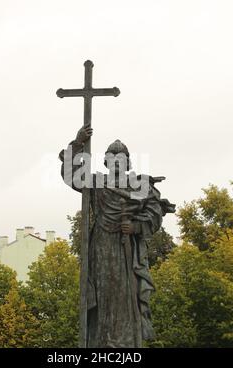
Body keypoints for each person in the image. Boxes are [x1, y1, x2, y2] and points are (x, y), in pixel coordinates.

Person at [59, 124, 175, 348]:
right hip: (100, 247)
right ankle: (100, 343)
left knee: (125, 296)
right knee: (102, 298)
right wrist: (77, 143)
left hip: (125, 250)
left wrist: (136, 226)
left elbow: (155, 209)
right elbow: (71, 176)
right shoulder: (97, 183)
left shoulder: (139, 185)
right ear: (106, 162)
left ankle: (125, 345)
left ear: (127, 161)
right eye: (111, 159)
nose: (116, 163)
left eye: (120, 159)